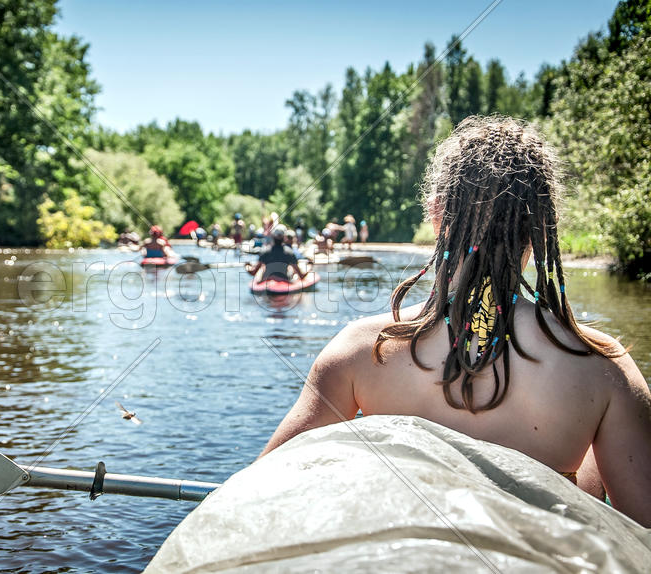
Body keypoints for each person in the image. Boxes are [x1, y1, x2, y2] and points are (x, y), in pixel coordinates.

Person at [258, 116, 651, 527]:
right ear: (542, 224)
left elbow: (256, 493)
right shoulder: (603, 366)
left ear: (435, 212)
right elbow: (644, 531)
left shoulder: (360, 350)